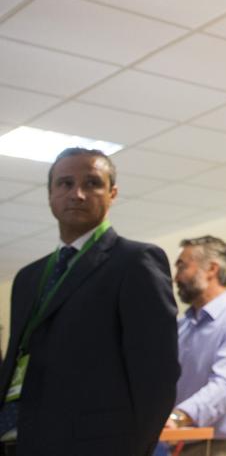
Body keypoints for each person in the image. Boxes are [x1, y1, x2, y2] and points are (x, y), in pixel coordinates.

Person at [0, 147, 179, 455]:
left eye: (92, 183)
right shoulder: (28, 277)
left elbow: (157, 376)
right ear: (50, 195)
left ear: (112, 193)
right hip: (20, 440)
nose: (77, 194)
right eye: (65, 183)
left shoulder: (135, 262)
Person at [168, 236, 226, 456]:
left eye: (182, 266)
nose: (176, 278)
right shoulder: (183, 326)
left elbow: (224, 386)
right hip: (179, 446)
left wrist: (178, 417)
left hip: (222, 449)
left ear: (212, 269)